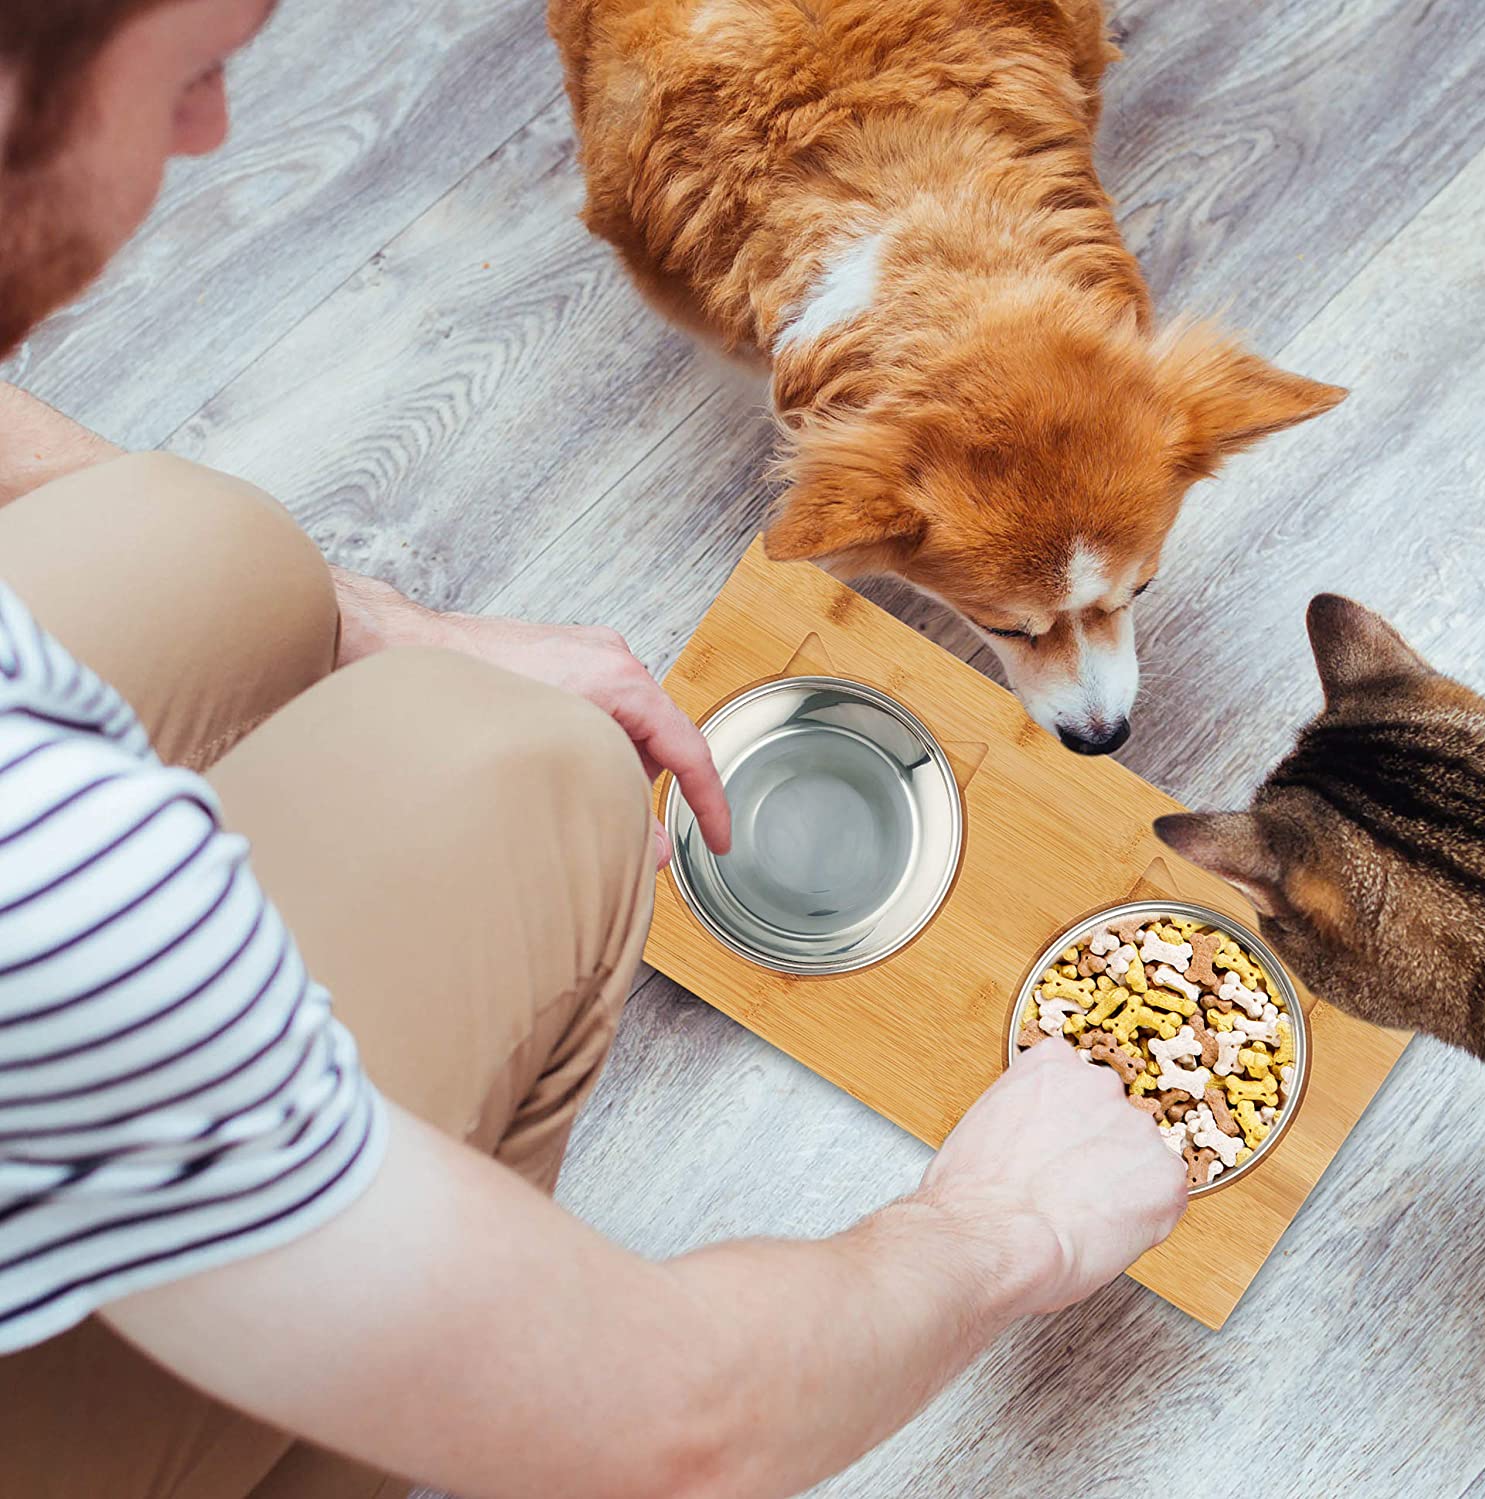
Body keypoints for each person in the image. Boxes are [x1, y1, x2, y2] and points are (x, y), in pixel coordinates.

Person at [0, 4, 1188, 1497]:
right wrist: (1003, 1229)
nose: (214, 133)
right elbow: (681, 1431)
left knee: (216, 550)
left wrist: (376, 619)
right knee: (537, 772)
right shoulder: (58, 892)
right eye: (196, 72)